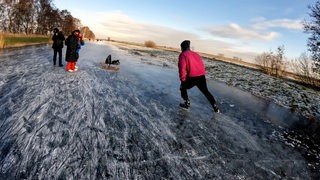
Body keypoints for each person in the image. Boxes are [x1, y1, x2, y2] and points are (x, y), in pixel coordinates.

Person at [178, 40, 220, 113]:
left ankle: (186, 103)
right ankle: (215, 107)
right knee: (206, 92)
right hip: (201, 76)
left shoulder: (183, 55)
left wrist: (182, 79)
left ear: (183, 47)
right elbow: (201, 65)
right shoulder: (196, 54)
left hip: (192, 77)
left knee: (182, 87)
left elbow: (182, 68)